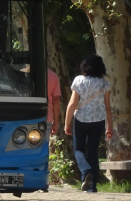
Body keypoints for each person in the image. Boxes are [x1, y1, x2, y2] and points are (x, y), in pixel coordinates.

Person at [64, 55, 113, 193]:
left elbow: (73, 103)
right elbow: (108, 107)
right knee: (93, 151)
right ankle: (92, 187)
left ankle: (86, 172)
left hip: (81, 119)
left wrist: (67, 123)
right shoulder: (104, 84)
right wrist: (109, 127)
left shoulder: (79, 80)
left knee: (78, 149)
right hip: (98, 121)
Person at [47, 68, 62, 135]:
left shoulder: (25, 73)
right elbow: (56, 100)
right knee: (44, 143)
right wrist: (55, 123)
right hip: (47, 116)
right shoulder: (53, 75)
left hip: (25, 116)